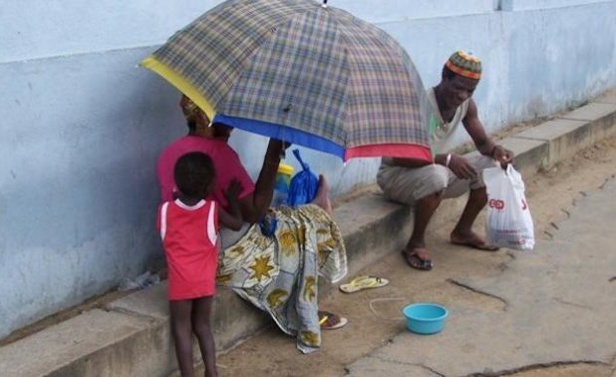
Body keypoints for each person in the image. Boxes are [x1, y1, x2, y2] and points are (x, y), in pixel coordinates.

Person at [156, 95, 348, 354]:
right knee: (298, 225)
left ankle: (315, 206)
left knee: (279, 215)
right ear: (208, 119)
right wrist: (273, 152)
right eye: (225, 118)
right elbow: (254, 213)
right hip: (220, 256)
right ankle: (302, 306)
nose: (231, 125)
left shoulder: (169, 153)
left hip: (185, 257)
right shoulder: (219, 154)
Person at [377, 51, 514, 271]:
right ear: (444, 76)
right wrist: (446, 159)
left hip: (430, 173)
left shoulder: (467, 105)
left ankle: (463, 231)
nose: (462, 95)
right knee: (437, 173)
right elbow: (399, 155)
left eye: (469, 90)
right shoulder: (418, 104)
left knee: (491, 166)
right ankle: (415, 243)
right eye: (458, 87)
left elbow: (482, 143)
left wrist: (498, 150)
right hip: (396, 176)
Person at [157, 151, 244, 377]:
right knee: (203, 326)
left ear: (176, 181)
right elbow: (236, 224)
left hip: (180, 283)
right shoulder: (212, 210)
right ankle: (212, 371)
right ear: (209, 187)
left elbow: (165, 235)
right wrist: (233, 199)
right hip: (204, 281)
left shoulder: (165, 211)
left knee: (181, 328)